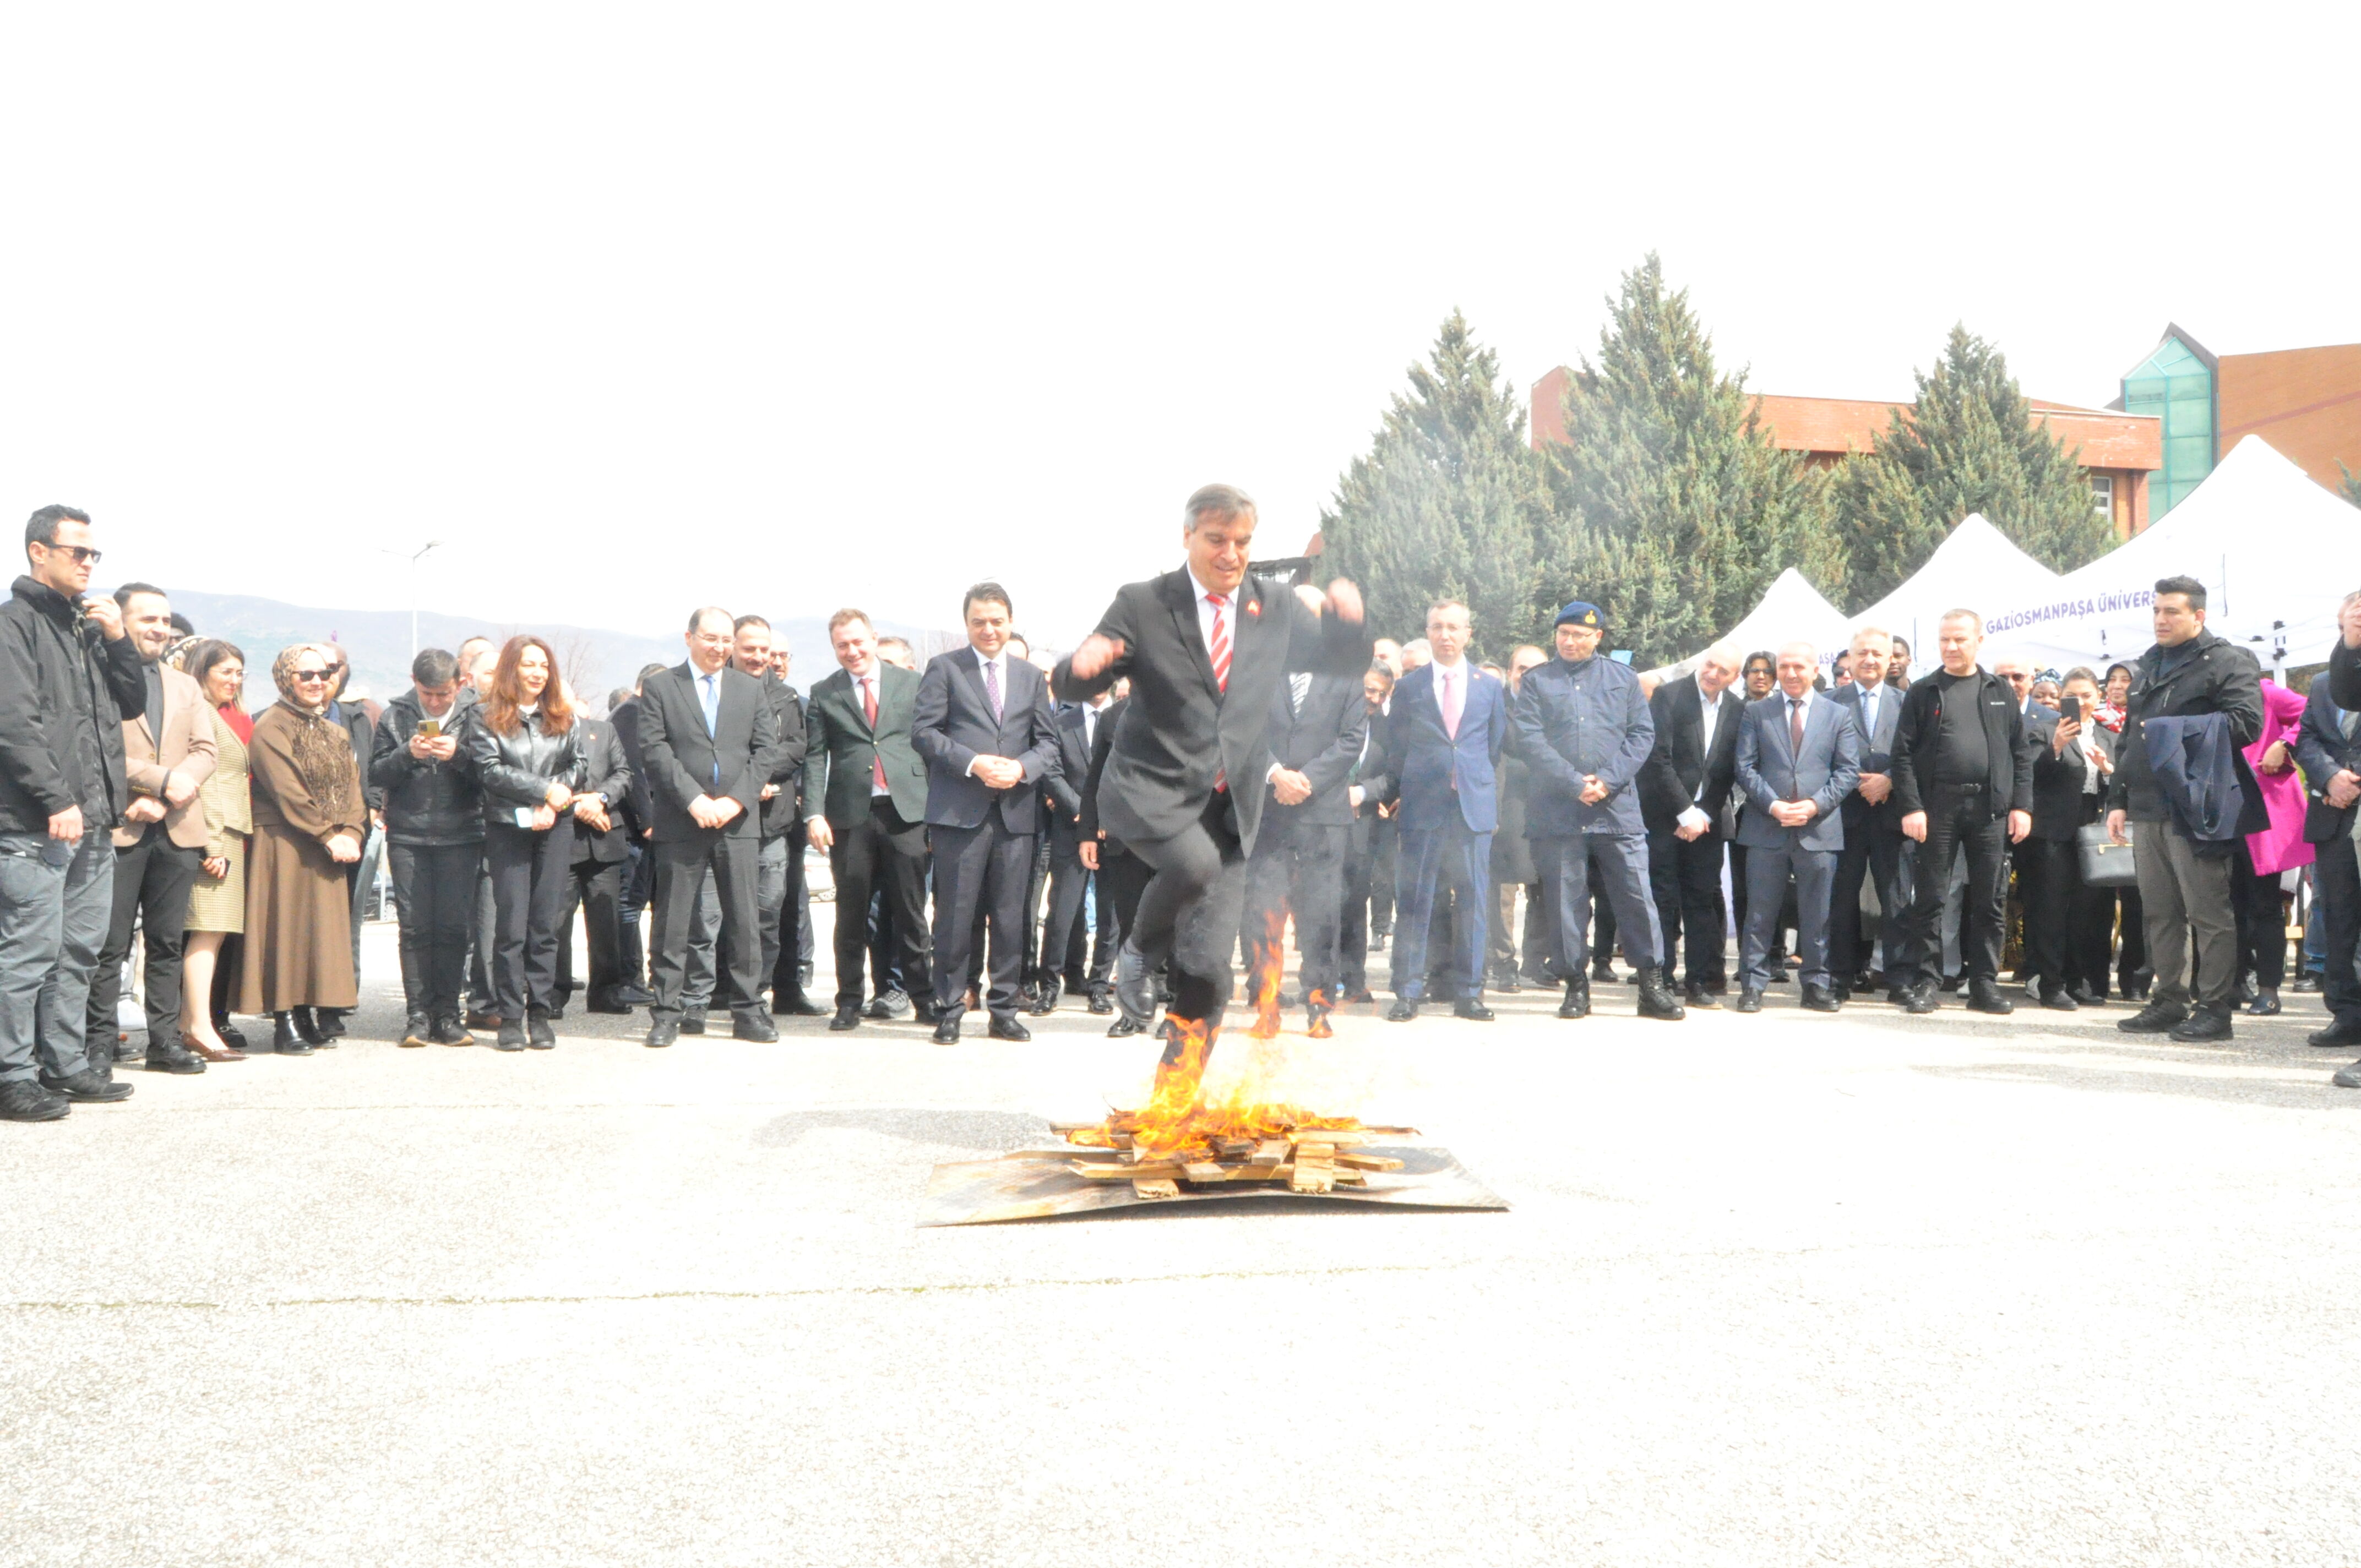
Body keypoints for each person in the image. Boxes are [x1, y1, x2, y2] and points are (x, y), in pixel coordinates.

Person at [1051, 483, 1370, 1050]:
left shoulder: (1275, 606)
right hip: (1152, 789)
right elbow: (1078, 683)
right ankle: (1139, 952)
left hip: (1230, 809)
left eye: (1242, 542)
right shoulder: (1144, 603)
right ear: (1187, 536)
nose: (1231, 554)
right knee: (1193, 863)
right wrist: (1082, 665)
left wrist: (1348, 625)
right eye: (1217, 539)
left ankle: (1175, 1089)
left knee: (1209, 973)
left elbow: (1337, 662)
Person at [0, 505, 146, 1119]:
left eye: (94, 554)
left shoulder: (84, 627)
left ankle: (63, 1064)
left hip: (92, 817)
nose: (88, 563)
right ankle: (11, 1075)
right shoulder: (14, 624)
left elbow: (131, 703)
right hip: (37, 821)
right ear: (39, 551)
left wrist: (118, 638)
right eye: (77, 552)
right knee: (28, 952)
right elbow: (14, 723)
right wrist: (55, 798)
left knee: (79, 949)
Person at [2105, 576, 2265, 1043]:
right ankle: (2169, 1000)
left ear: (2198, 616)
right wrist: (2118, 800)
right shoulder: (2148, 664)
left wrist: (2171, 731)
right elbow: (2130, 738)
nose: (2160, 619)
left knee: (2208, 913)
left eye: (2171, 611)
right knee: (2159, 912)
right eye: (2157, 610)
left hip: (2198, 806)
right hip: (2147, 806)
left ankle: (2215, 1009)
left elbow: (2247, 723)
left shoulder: (2226, 662)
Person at [1513, 601, 1683, 1022]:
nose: (1570, 642)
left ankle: (1652, 986)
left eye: (1579, 635)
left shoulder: (1622, 679)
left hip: (1616, 810)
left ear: (1598, 637)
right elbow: (1530, 739)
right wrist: (1574, 783)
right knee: (1565, 903)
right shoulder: (1538, 681)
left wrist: (1607, 781)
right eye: (1563, 634)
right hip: (1559, 811)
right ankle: (1576, 987)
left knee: (1636, 898)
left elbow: (1641, 735)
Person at [912, 583, 1060, 1043]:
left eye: (997, 621)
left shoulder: (1030, 677)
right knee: (955, 917)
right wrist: (973, 763)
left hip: (1016, 815)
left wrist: (1022, 767)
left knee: (1012, 917)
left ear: (1011, 622)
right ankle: (950, 1008)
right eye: (979, 621)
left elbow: (1048, 743)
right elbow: (923, 733)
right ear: (967, 624)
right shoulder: (945, 669)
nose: (989, 629)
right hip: (960, 814)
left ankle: (1004, 1009)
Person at [86, 583, 217, 1075]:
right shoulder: (97, 674)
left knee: (166, 943)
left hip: (177, 827)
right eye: (148, 619)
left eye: (165, 620)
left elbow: (206, 751)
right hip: (121, 826)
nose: (160, 628)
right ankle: (98, 1046)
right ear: (120, 622)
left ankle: (165, 1042)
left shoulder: (185, 685)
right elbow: (99, 750)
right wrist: (159, 783)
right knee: (110, 945)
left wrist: (167, 795)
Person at [638, 608, 782, 1048]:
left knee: (745, 920)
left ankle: (748, 1010)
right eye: (710, 638)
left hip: (738, 822)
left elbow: (765, 750)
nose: (719, 648)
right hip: (682, 819)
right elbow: (654, 749)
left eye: (726, 640)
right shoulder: (663, 687)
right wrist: (695, 799)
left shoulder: (750, 688)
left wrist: (736, 800)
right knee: (673, 922)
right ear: (689, 638)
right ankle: (667, 1013)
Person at [1887, 609, 2033, 1016]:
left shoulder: (1999, 690)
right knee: (1931, 899)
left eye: (1960, 639)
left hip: (1990, 810)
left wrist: (2022, 806)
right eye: (1944, 640)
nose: (1951, 647)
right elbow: (1902, 755)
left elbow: (2020, 754)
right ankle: (1927, 982)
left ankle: (1984, 984)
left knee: (1990, 900)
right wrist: (1912, 807)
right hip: (1937, 810)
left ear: (1979, 641)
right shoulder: (1924, 691)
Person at [804, 608, 931, 1031]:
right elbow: (814, 757)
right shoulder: (825, 693)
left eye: (858, 641)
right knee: (851, 914)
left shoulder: (911, 684)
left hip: (906, 812)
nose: (853, 651)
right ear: (834, 648)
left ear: (874, 639)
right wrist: (814, 813)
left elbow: (931, 745)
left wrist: (935, 811)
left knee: (911, 912)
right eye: (843, 645)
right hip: (850, 817)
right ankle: (849, 1002)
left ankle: (923, 997)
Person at [1381, 600, 1507, 1022]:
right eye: (1437, 627)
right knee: (1415, 899)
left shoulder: (1489, 687)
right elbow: (1397, 747)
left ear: (1468, 633)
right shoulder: (1410, 687)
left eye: (1454, 627)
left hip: (1472, 807)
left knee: (1474, 900)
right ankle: (1407, 991)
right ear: (1428, 632)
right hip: (1424, 807)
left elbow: (1493, 746)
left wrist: (1471, 781)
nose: (1446, 635)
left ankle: (1469, 993)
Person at [238, 645, 366, 1054]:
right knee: (286, 929)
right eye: (305, 675)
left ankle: (309, 1013)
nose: (316, 682)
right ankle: (285, 1019)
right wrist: (329, 834)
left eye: (324, 674)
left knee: (319, 934)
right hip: (286, 842)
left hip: (331, 845)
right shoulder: (271, 726)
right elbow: (286, 790)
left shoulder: (335, 732)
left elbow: (354, 788)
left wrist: (353, 832)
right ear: (285, 678)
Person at [463, 636, 585, 1051]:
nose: (537, 673)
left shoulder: (563, 715)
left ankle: (541, 1013)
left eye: (544, 666)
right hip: (508, 827)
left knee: (546, 926)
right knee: (511, 926)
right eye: (529, 664)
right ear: (511, 668)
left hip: (556, 826)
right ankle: (511, 1015)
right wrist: (542, 792)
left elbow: (579, 765)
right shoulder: (485, 715)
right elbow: (489, 770)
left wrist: (554, 800)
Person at [1240, 657, 1367, 1037]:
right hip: (1269, 812)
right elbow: (1242, 730)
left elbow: (1352, 740)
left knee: (1321, 915)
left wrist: (1305, 780)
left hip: (1324, 814)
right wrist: (1276, 774)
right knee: (1264, 913)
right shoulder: (1259, 670)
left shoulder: (1346, 677)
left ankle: (1319, 1005)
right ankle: (1267, 1005)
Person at [1731, 641, 1860, 1011]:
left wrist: (1815, 805)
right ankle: (1753, 984)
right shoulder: (1757, 712)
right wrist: (1774, 805)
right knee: (1760, 913)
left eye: (1799, 667)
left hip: (1818, 829)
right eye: (1784, 667)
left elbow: (1847, 770)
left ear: (1815, 670)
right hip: (1766, 827)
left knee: (1818, 915)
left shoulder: (1838, 715)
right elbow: (1745, 767)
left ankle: (1816, 985)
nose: (1790, 673)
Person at [372, 649, 484, 1047]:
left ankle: (449, 1015)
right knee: (415, 927)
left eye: (443, 694)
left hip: (462, 833)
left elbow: (491, 774)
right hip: (409, 835)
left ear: (461, 683)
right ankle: (418, 1015)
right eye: (427, 694)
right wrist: (407, 754)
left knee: (454, 928)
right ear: (413, 683)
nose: (435, 702)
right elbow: (376, 773)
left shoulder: (477, 716)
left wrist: (459, 756)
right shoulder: (394, 716)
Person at [1638, 641, 1744, 1007]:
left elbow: (1727, 770)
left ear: (1735, 677)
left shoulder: (1737, 709)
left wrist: (1705, 814)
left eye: (1723, 670)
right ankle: (1662, 981)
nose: (1712, 674)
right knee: (1663, 899)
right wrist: (1686, 812)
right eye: (1709, 664)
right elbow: (1658, 759)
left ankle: (1698, 981)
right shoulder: (1668, 697)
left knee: (1701, 901)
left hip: (1706, 823)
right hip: (1664, 817)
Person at [176, 640, 253, 1061]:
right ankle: (200, 1028)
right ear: (201, 671)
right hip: (217, 838)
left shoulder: (215, 712)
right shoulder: (203, 713)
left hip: (228, 836)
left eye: (239, 672)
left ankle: (189, 1022)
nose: (234, 680)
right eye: (226, 671)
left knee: (214, 935)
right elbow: (206, 784)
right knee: (207, 933)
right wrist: (215, 844)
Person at [2021, 666, 2115, 1010]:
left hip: (2094, 824)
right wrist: (2056, 747)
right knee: (2051, 906)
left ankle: (2079, 981)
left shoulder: (2108, 737)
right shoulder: (2042, 731)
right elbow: (2030, 776)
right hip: (2053, 827)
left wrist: (2107, 770)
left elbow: (2121, 786)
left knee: (2087, 909)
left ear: (2099, 697)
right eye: (2071, 697)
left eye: (2087, 696)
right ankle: (2050, 982)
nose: (2080, 702)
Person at [1828, 628, 1911, 1000]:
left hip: (1892, 814)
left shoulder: (1908, 703)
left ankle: (1899, 979)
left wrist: (1889, 780)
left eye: (1878, 653)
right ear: (1850, 657)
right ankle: (1839, 977)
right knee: (1841, 898)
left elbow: (1920, 753)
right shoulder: (1829, 703)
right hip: (1842, 814)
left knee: (1896, 898)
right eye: (1862, 652)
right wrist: (1854, 782)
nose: (1870, 660)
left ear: (1890, 659)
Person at [2298, 599, 2361, 1085]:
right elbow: (2306, 739)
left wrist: (2352, 776)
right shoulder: (2323, 683)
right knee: (2338, 917)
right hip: (2334, 816)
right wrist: (2329, 777)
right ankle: (2347, 1012)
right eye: (2346, 621)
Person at [311, 647, 381, 1044]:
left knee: (344, 921)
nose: (322, 677)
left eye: (331, 669)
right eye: (312, 670)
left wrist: (366, 816)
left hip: (354, 834)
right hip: (304, 837)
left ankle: (334, 1004)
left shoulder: (357, 719)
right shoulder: (271, 720)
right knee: (306, 924)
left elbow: (367, 773)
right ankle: (296, 1004)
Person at [2229, 676, 2310, 1016]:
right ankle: (2232, 984)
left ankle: (2268, 990)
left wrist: (2283, 742)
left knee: (2264, 904)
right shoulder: (2208, 695)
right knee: (2225, 906)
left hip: (2262, 809)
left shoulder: (2265, 691)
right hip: (2219, 809)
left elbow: (2312, 711)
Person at [554, 691, 633, 1017]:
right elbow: (540, 778)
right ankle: (552, 993)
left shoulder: (603, 730)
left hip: (605, 838)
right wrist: (579, 807)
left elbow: (623, 774)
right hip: (561, 839)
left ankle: (605, 992)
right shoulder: (542, 732)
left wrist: (599, 799)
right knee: (556, 922)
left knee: (606, 921)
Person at [1042, 685, 1117, 1013]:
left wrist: (1109, 817)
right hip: (1070, 829)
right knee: (1062, 911)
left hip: (1116, 831)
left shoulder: (1129, 719)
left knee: (1109, 914)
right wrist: (1085, 815)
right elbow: (1052, 773)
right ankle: (1049, 986)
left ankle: (1099, 985)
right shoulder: (1061, 723)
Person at [1486, 644, 1548, 994]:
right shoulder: (1494, 704)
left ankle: (1536, 961)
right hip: (1506, 806)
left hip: (1547, 808)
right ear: (1510, 672)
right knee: (1502, 893)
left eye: (1536, 669)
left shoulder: (1556, 707)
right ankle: (1503, 964)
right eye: (1522, 668)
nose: (1528, 675)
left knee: (1545, 891)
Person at [1338, 663, 1396, 1002]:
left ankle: (1354, 981)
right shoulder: (1328, 720)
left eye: (1382, 693)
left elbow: (1393, 776)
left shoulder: (1388, 730)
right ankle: (1319, 981)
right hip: (1322, 822)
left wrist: (1361, 793)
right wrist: (1337, 796)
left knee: (1355, 902)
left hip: (1364, 826)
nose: (1374, 698)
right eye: (1369, 690)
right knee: (1321, 902)